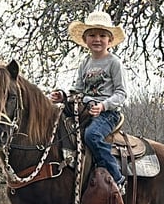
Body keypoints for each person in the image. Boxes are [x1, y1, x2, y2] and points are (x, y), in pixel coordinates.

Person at [50, 11, 128, 194]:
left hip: (107, 114)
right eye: (92, 35)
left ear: (110, 40)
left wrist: (103, 106)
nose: (97, 39)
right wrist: (63, 96)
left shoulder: (114, 63)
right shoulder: (85, 63)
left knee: (92, 136)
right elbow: (78, 90)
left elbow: (121, 93)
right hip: (84, 109)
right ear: (85, 40)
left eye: (102, 35)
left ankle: (116, 177)